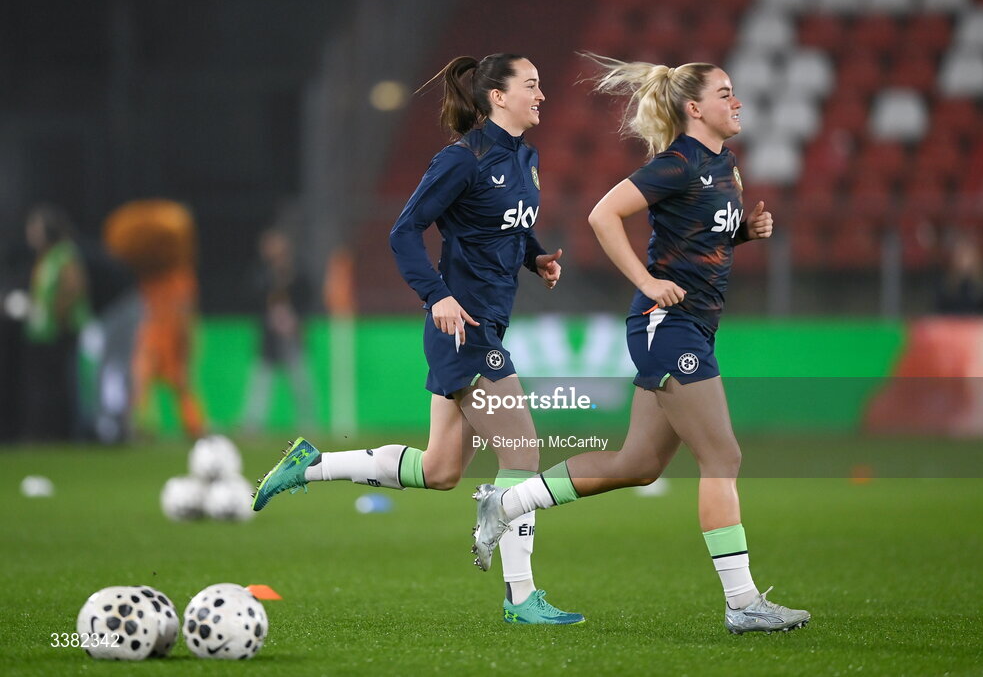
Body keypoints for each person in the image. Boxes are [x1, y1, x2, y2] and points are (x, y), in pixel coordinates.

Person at [471, 53, 811, 634]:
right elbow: (605, 215)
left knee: (638, 465)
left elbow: (700, 235)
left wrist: (743, 233)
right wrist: (648, 283)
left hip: (694, 324)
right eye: (726, 93)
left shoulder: (722, 164)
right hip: (667, 325)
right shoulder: (677, 162)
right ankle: (742, 601)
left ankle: (508, 503)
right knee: (723, 457)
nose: (738, 103)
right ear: (694, 107)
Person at [252, 53, 583, 625]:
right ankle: (520, 596)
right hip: (464, 328)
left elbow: (509, 223)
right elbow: (404, 230)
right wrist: (438, 297)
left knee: (440, 470)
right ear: (497, 97)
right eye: (531, 85)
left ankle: (308, 466)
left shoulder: (524, 157)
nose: (542, 95)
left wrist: (536, 259)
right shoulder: (462, 158)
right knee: (523, 451)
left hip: (487, 322)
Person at [104, 199, 206, 439]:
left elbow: (185, 309)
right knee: (142, 385)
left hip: (162, 336)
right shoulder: (150, 281)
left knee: (172, 385)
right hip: (150, 336)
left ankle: (193, 428)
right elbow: (187, 308)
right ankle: (134, 427)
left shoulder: (177, 277)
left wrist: (186, 336)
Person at [23, 204, 91, 440]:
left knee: (67, 382)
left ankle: (72, 433)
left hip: (63, 330)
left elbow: (73, 287)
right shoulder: (44, 257)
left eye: (35, 228)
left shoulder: (64, 254)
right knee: (48, 384)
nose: (30, 233)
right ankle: (49, 432)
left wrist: (60, 317)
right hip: (44, 333)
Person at [242, 225, 314, 432]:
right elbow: (252, 299)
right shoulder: (262, 273)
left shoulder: (297, 271)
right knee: (261, 383)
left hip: (293, 336)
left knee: (300, 383)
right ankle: (252, 424)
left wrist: (296, 319)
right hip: (270, 338)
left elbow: (307, 299)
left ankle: (308, 425)